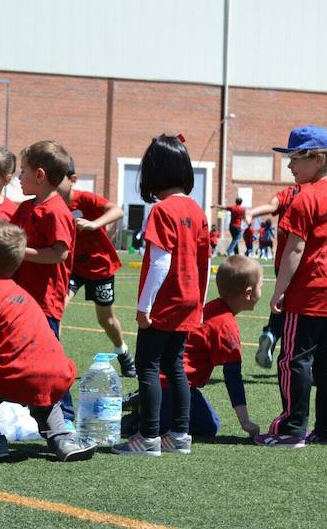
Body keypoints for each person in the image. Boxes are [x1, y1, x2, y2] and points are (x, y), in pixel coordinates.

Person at [0, 222, 96, 462]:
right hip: (57, 377)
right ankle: (63, 438)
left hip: (21, 378)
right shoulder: (20, 292)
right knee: (38, 380)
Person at [255, 126, 327, 449]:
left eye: (295, 158)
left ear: (317, 159)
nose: (289, 165)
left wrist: (279, 290)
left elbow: (295, 249)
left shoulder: (306, 198)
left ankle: (291, 428)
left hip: (309, 291)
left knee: (294, 359)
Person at [112, 134, 209, 456]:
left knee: (148, 365)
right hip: (189, 299)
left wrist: (145, 306)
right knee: (175, 364)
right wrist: (201, 302)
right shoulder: (196, 210)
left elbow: (160, 262)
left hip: (165, 302)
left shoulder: (162, 211)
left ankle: (148, 435)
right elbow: (206, 262)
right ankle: (180, 433)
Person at [122, 255, 262, 438]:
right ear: (248, 293)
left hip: (166, 380)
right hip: (172, 385)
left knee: (206, 421)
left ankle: (147, 400)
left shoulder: (213, 308)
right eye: (260, 285)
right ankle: (138, 417)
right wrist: (245, 422)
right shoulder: (226, 325)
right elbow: (232, 375)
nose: (262, 289)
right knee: (207, 426)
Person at [10, 140, 78, 423]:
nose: (19, 177)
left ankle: (66, 414)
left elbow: (59, 253)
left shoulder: (56, 211)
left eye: (23, 171)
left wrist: (19, 251)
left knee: (49, 360)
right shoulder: (26, 208)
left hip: (45, 301)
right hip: (22, 299)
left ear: (39, 175)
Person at [58, 156, 137, 378]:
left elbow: (117, 210)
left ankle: (123, 352)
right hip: (71, 267)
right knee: (57, 310)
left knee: (106, 320)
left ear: (72, 179)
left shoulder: (85, 199)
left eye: (57, 179)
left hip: (99, 268)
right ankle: (53, 358)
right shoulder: (52, 203)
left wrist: (94, 224)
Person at [245, 184, 302, 369]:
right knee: (300, 314)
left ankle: (271, 333)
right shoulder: (317, 193)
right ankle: (291, 358)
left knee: (281, 304)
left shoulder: (289, 192)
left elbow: (271, 206)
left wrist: (252, 213)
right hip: (304, 263)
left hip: (282, 263)